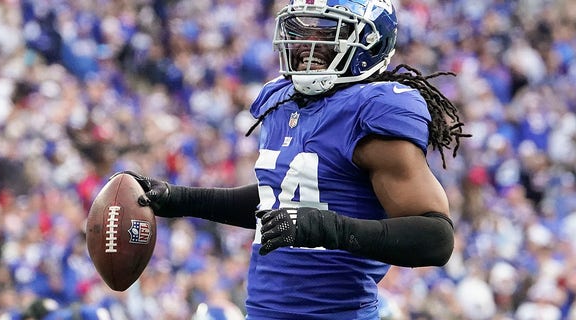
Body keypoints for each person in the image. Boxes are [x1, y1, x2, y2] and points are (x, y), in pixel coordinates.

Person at [114, 0, 470, 318]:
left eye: (327, 31)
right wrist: (180, 199)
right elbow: (281, 198)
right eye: (302, 30)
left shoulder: (373, 110)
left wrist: (326, 228)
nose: (307, 45)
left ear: (370, 42)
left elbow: (436, 238)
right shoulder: (283, 100)